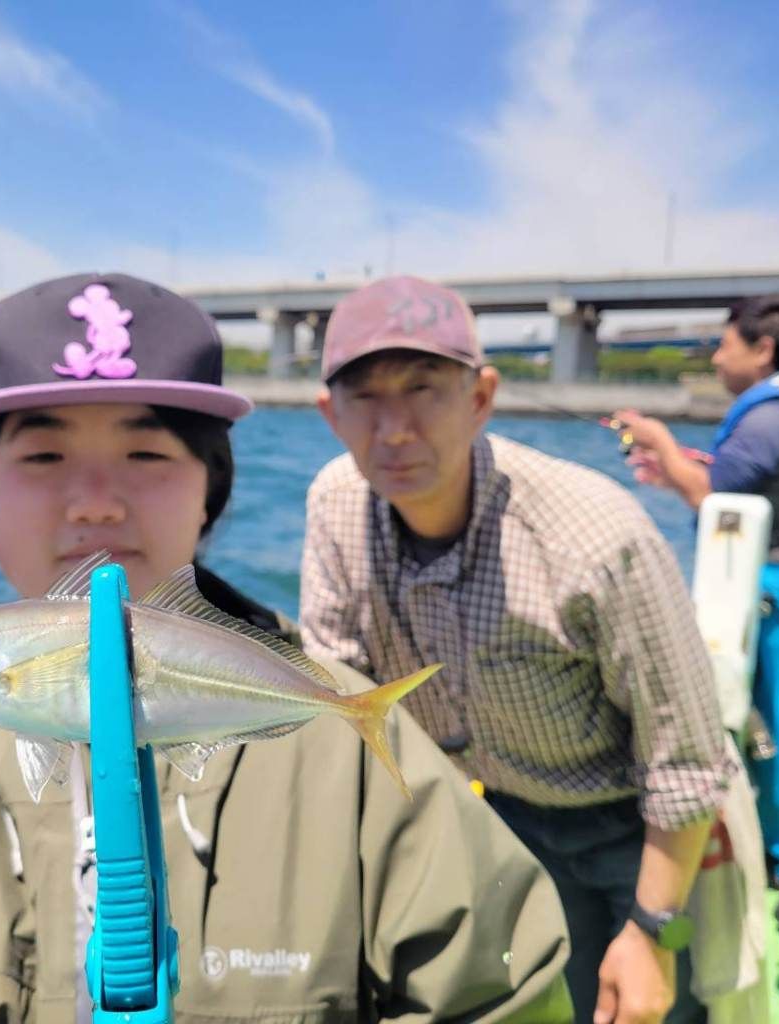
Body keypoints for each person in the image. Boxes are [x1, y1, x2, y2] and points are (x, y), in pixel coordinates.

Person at [0, 273, 572, 1023]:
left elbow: (506, 995)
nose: (96, 501)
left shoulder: (354, 768)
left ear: (211, 490)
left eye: (148, 453)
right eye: (43, 455)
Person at [299, 276, 738, 1024]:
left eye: (424, 389)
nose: (394, 428)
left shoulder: (595, 537)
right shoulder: (336, 505)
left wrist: (653, 929)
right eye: (365, 397)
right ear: (330, 414)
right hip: (475, 809)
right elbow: (342, 696)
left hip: (624, 822)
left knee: (644, 1003)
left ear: (480, 398)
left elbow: (686, 761)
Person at [614, 293, 779, 887]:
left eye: (725, 346)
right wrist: (675, 470)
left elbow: (713, 499)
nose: (717, 359)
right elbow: (736, 492)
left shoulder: (765, 419)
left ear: (763, 349)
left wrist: (660, 442)